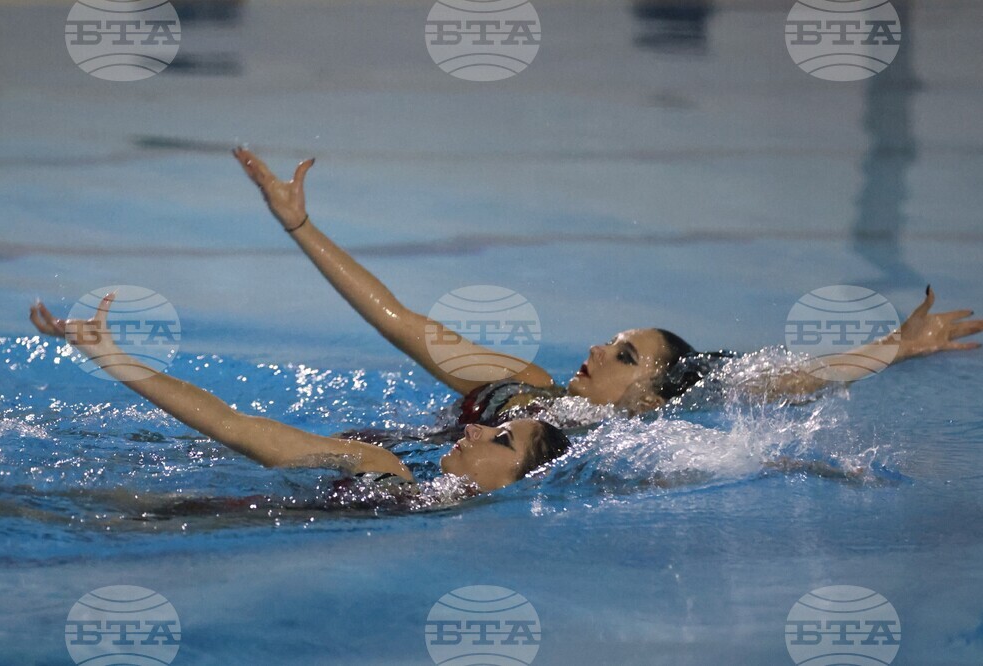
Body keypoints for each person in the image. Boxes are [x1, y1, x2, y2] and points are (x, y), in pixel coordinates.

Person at [232, 148, 983, 421]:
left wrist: (895, 347)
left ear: (653, 396)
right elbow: (396, 319)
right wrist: (300, 227)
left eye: (624, 356)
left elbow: (786, 381)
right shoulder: (520, 381)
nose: (596, 349)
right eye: (614, 341)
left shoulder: (620, 443)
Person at [27, 295, 571, 496]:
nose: (475, 427)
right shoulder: (382, 467)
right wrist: (115, 360)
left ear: (516, 482)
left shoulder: (403, 487)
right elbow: (233, 426)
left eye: (499, 440)